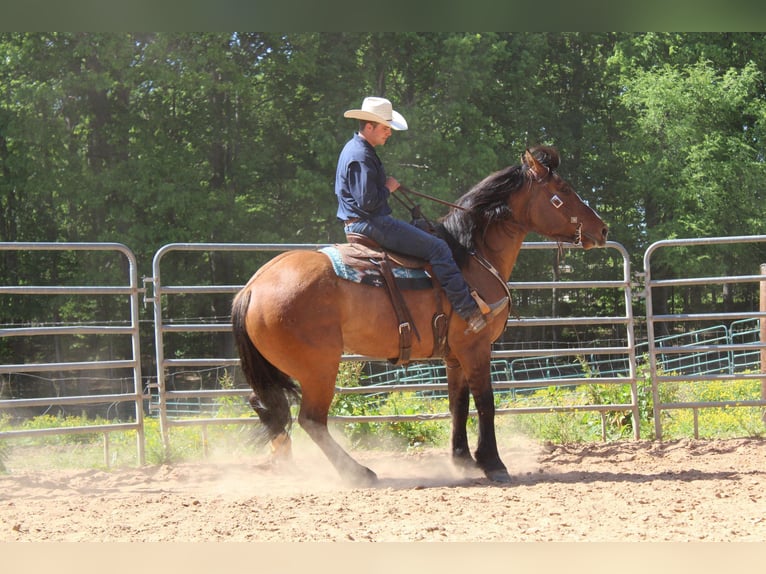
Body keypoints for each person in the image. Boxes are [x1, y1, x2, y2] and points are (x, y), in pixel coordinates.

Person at [334, 96, 507, 333]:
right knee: (438, 248)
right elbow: (368, 202)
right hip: (370, 223)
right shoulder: (361, 155)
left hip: (363, 221)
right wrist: (389, 188)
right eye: (385, 128)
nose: (389, 133)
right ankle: (470, 312)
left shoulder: (356, 150)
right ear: (369, 126)